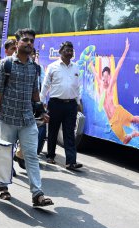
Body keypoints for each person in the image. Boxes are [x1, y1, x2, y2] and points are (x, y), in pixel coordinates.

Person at [0, 28, 53, 207]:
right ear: (17, 43)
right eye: (25, 40)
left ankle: (37, 194)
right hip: (6, 118)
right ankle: (3, 187)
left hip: (27, 120)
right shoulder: (5, 64)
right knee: (5, 154)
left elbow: (34, 93)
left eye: (32, 41)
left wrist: (41, 111)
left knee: (31, 156)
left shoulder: (35, 68)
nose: (29, 43)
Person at [89, 38, 139, 144]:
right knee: (124, 141)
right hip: (112, 121)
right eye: (103, 77)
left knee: (133, 119)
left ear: (110, 77)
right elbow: (95, 73)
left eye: (107, 77)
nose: (105, 79)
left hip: (118, 112)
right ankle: (133, 134)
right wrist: (91, 65)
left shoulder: (111, 85)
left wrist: (126, 49)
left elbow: (118, 65)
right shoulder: (100, 84)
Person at [40, 41, 83, 170]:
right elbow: (46, 85)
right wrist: (41, 102)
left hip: (71, 105)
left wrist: (78, 101)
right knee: (53, 130)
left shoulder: (76, 67)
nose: (69, 52)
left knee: (69, 133)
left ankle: (71, 162)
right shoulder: (53, 67)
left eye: (71, 50)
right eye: (67, 50)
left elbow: (79, 86)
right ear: (60, 52)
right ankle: (50, 156)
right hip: (55, 104)